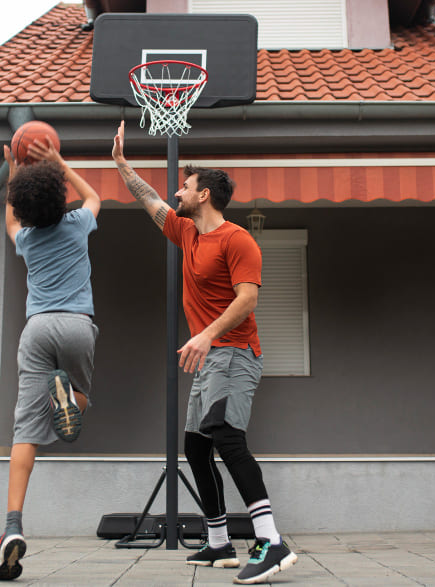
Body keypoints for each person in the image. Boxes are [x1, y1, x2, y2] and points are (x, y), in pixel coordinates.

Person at [111, 120, 297, 584]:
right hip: (212, 357)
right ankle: (219, 543)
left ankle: (271, 541)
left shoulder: (237, 240)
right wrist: (122, 165)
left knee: (227, 437)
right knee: (196, 447)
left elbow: (248, 299)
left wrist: (206, 334)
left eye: (185, 186)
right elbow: (150, 201)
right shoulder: (187, 232)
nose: (177, 192)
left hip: (235, 353)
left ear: (204, 195)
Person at [0, 135, 101, 581]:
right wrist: (60, 162)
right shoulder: (77, 224)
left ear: (25, 207)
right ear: (59, 198)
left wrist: (12, 174)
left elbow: (9, 221)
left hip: (37, 329)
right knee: (82, 398)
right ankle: (68, 400)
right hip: (77, 325)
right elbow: (94, 197)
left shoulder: (28, 240)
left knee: (25, 430)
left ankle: (12, 526)